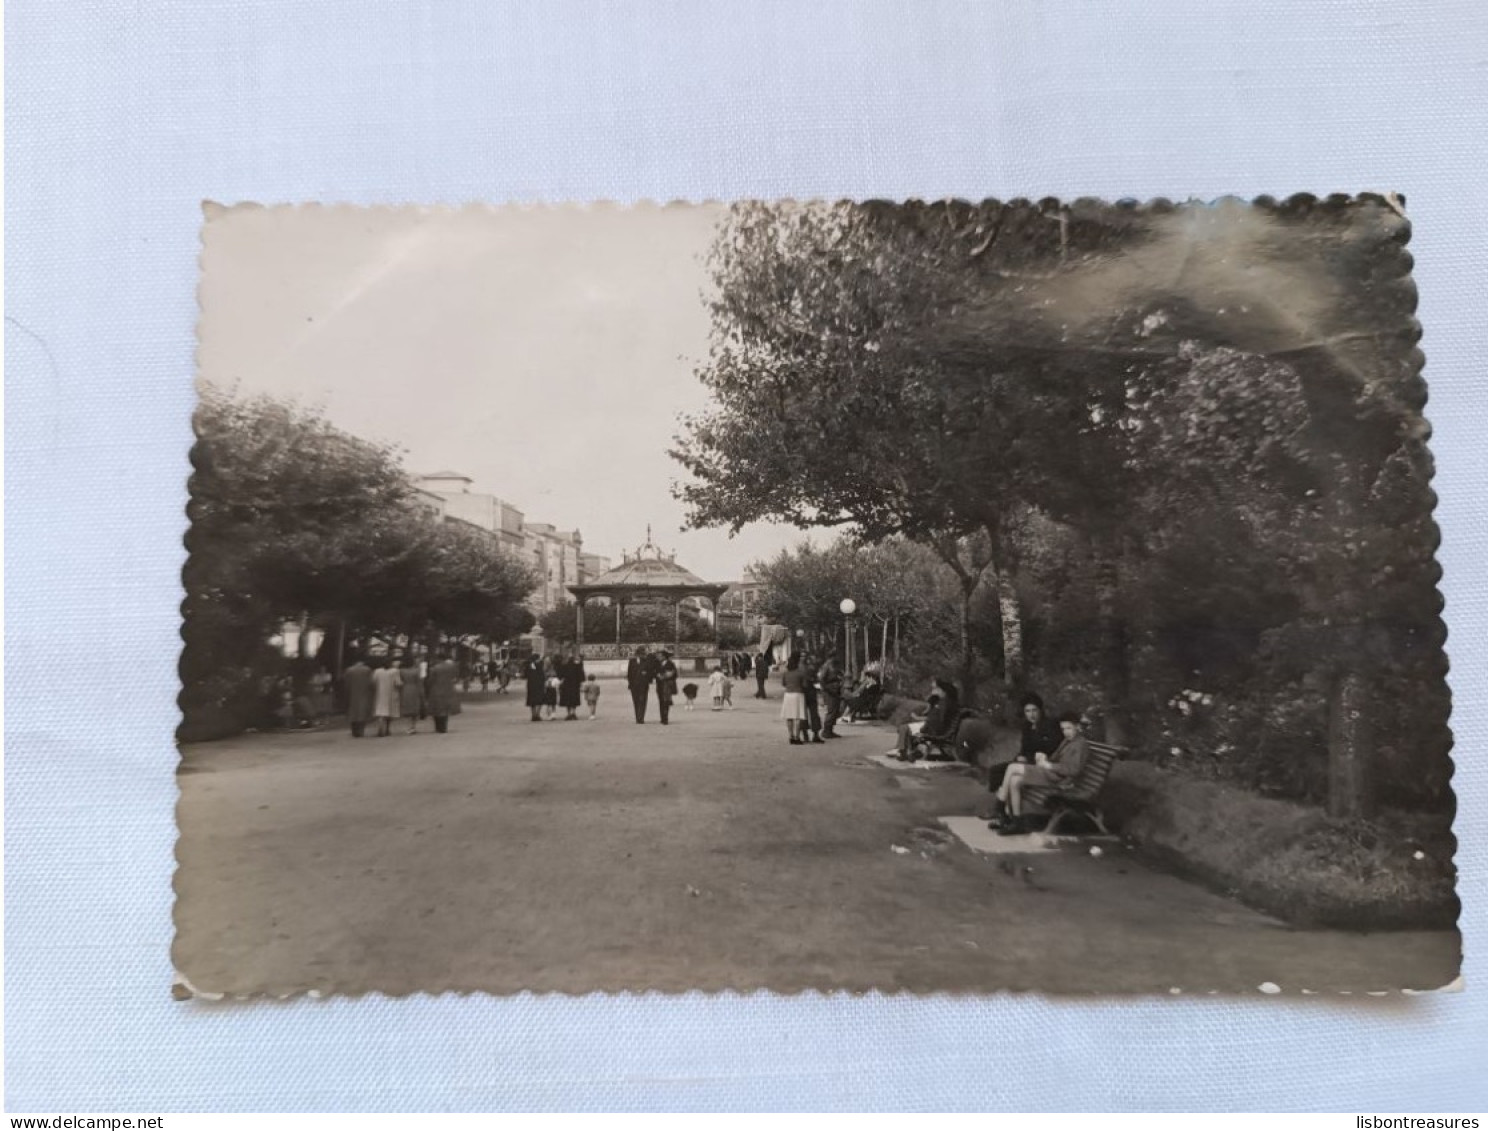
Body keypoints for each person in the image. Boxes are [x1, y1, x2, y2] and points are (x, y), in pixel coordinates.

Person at [993, 711, 1090, 834]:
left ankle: (1000, 806)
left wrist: (1049, 766)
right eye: (1063, 729)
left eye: (1069, 728)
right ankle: (1017, 822)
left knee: (1012, 767)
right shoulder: (1068, 740)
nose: (1066, 732)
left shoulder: (1081, 745)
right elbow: (1056, 758)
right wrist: (1044, 758)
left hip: (1061, 780)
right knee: (1015, 781)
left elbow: (1074, 770)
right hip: (1052, 774)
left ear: (1078, 727)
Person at [988, 692, 1064, 793]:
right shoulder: (1027, 726)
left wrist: (1029, 758)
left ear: (1040, 710)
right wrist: (1021, 756)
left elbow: (1053, 748)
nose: (1031, 715)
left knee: (1010, 774)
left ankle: (1002, 802)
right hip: (1026, 761)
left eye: (1034, 710)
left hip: (1042, 765)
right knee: (995, 771)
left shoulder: (1050, 725)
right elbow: (1024, 748)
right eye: (1027, 711)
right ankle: (1002, 798)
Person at [892, 677, 960, 761]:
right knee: (904, 728)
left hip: (932, 729)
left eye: (934, 687)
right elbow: (933, 717)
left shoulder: (946, 703)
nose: (932, 688)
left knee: (904, 728)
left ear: (941, 689)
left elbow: (940, 722)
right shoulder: (939, 701)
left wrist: (926, 728)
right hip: (928, 726)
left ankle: (904, 751)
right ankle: (903, 750)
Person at [425, 650, 461, 733]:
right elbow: (455, 676)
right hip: (448, 689)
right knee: (445, 710)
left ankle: (438, 727)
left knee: (436, 709)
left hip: (436, 690)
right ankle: (444, 727)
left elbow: (430, 680)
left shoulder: (434, 668)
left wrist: (427, 687)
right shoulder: (451, 667)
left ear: (439, 659)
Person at [779, 652, 809, 744]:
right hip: (798, 694)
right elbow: (805, 685)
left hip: (788, 695)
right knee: (798, 717)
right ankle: (797, 737)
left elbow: (783, 684)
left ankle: (791, 736)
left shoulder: (785, 673)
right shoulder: (800, 673)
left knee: (789, 717)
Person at [342, 657, 374, 738]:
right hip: (364, 693)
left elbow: (346, 683)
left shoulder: (349, 670)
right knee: (362, 712)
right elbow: (371, 683)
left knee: (352, 712)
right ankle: (361, 731)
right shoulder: (367, 670)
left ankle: (354, 731)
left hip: (352, 693)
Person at [371, 657, 401, 738]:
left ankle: (380, 728)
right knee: (390, 711)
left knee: (380, 711)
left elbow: (373, 682)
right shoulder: (395, 671)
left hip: (380, 693)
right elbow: (398, 683)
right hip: (391, 693)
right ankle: (387, 729)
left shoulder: (377, 671)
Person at [626, 645, 656, 724]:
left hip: (643, 684)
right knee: (636, 701)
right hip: (634, 685)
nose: (644, 654)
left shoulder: (647, 661)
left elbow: (651, 671)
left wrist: (647, 675)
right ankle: (638, 717)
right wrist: (630, 683)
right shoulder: (632, 661)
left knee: (642, 701)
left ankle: (641, 718)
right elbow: (629, 674)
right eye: (643, 652)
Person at [817, 655, 843, 738]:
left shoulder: (834, 665)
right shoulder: (827, 666)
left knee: (835, 710)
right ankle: (826, 731)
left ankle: (830, 730)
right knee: (831, 710)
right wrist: (825, 688)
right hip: (829, 690)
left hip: (834, 689)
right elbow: (821, 679)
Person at [398, 654, 425, 735]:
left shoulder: (401, 671)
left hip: (405, 689)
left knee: (406, 708)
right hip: (414, 689)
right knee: (414, 708)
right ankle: (413, 726)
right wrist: (422, 692)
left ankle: (408, 727)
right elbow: (419, 682)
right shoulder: (416, 671)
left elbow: (399, 681)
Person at [801, 652, 825, 743]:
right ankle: (813, 734)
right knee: (812, 714)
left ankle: (807, 734)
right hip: (810, 692)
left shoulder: (799, 668)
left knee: (806, 714)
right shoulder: (811, 668)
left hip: (805, 693)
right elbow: (816, 680)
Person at [558, 648, 585, 721]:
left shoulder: (564, 665)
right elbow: (581, 675)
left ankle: (569, 714)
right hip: (575, 685)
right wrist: (581, 683)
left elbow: (560, 675)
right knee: (574, 699)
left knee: (567, 700)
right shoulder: (577, 666)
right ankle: (573, 713)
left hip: (566, 685)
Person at [654, 649, 679, 725]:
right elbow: (654, 672)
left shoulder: (671, 664)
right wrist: (657, 675)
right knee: (661, 701)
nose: (658, 657)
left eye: (660, 656)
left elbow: (675, 674)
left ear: (664, 657)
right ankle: (662, 717)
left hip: (667, 686)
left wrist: (667, 676)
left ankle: (665, 718)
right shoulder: (657, 663)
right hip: (659, 685)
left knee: (666, 702)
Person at [524, 653, 547, 722]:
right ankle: (538, 714)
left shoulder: (528, 666)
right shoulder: (540, 666)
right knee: (540, 700)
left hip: (531, 685)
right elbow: (542, 676)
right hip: (539, 685)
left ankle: (533, 715)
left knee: (532, 701)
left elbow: (525, 675)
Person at [542, 655, 560, 721]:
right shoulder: (543, 668)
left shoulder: (553, 668)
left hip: (553, 686)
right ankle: (549, 714)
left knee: (553, 702)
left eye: (549, 660)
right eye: (546, 660)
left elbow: (555, 674)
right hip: (547, 686)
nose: (548, 662)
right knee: (548, 702)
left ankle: (553, 714)